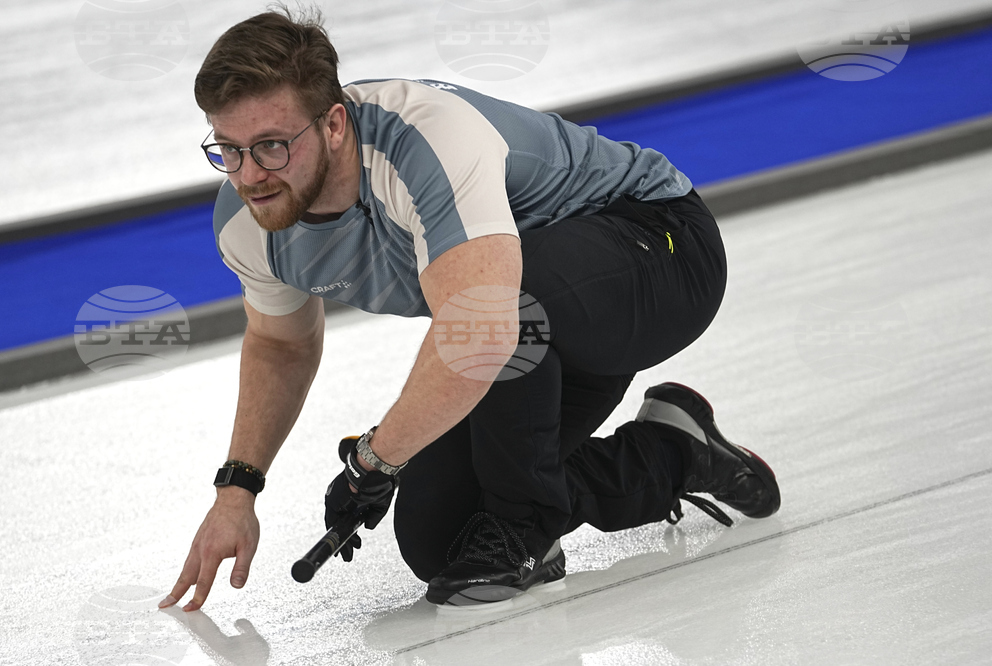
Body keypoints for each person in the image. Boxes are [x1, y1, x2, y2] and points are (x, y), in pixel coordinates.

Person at [159, 6, 781, 611]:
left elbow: (481, 327)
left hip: (661, 250)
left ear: (335, 125)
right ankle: (675, 451)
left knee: (497, 308)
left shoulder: (427, 141)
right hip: (530, 331)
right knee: (441, 539)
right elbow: (281, 344)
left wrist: (375, 459)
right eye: (228, 149)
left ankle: (525, 529)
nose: (250, 175)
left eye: (271, 146)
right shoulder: (246, 222)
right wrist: (237, 490)